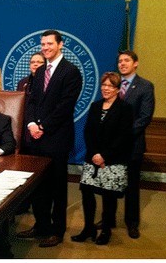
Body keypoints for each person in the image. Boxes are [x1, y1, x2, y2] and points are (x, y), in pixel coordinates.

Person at [16, 30, 82, 248]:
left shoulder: (71, 72)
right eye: (43, 44)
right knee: (38, 187)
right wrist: (32, 124)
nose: (45, 47)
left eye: (49, 44)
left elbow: (65, 106)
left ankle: (57, 230)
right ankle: (41, 225)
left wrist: (43, 126)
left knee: (56, 188)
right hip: (35, 138)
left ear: (60, 45)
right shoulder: (40, 70)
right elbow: (32, 101)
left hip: (56, 139)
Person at [71, 72, 134, 245]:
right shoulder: (95, 106)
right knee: (86, 193)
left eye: (110, 86)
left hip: (112, 160)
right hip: (93, 158)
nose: (106, 89)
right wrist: (94, 153)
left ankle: (106, 230)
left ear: (117, 88)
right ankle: (88, 227)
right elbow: (88, 132)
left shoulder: (125, 109)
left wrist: (105, 155)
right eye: (103, 85)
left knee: (108, 197)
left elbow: (124, 136)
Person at [117, 50, 155, 239]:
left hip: (132, 144)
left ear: (136, 63)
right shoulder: (113, 84)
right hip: (112, 146)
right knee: (111, 183)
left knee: (131, 185)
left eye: (127, 60)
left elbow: (145, 117)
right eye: (120, 61)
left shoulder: (145, 86)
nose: (122, 64)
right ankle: (108, 219)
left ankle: (132, 223)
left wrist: (123, 135)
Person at [15, 52, 45, 214]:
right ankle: (23, 203)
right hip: (23, 134)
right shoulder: (23, 83)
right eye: (33, 62)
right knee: (23, 171)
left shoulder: (47, 83)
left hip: (40, 133)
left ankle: (38, 205)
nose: (35, 64)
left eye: (39, 62)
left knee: (38, 172)